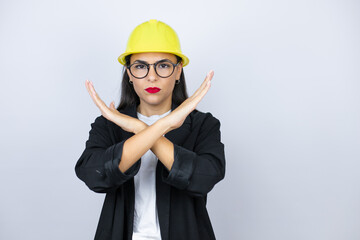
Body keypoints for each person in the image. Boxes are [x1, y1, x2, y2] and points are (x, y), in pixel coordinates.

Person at [75, 19, 226, 240]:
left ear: (178, 72)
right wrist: (160, 126)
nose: (151, 76)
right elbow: (94, 175)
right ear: (128, 73)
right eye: (140, 66)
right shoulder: (109, 123)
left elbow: (205, 177)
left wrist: (142, 129)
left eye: (163, 65)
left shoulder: (204, 125)